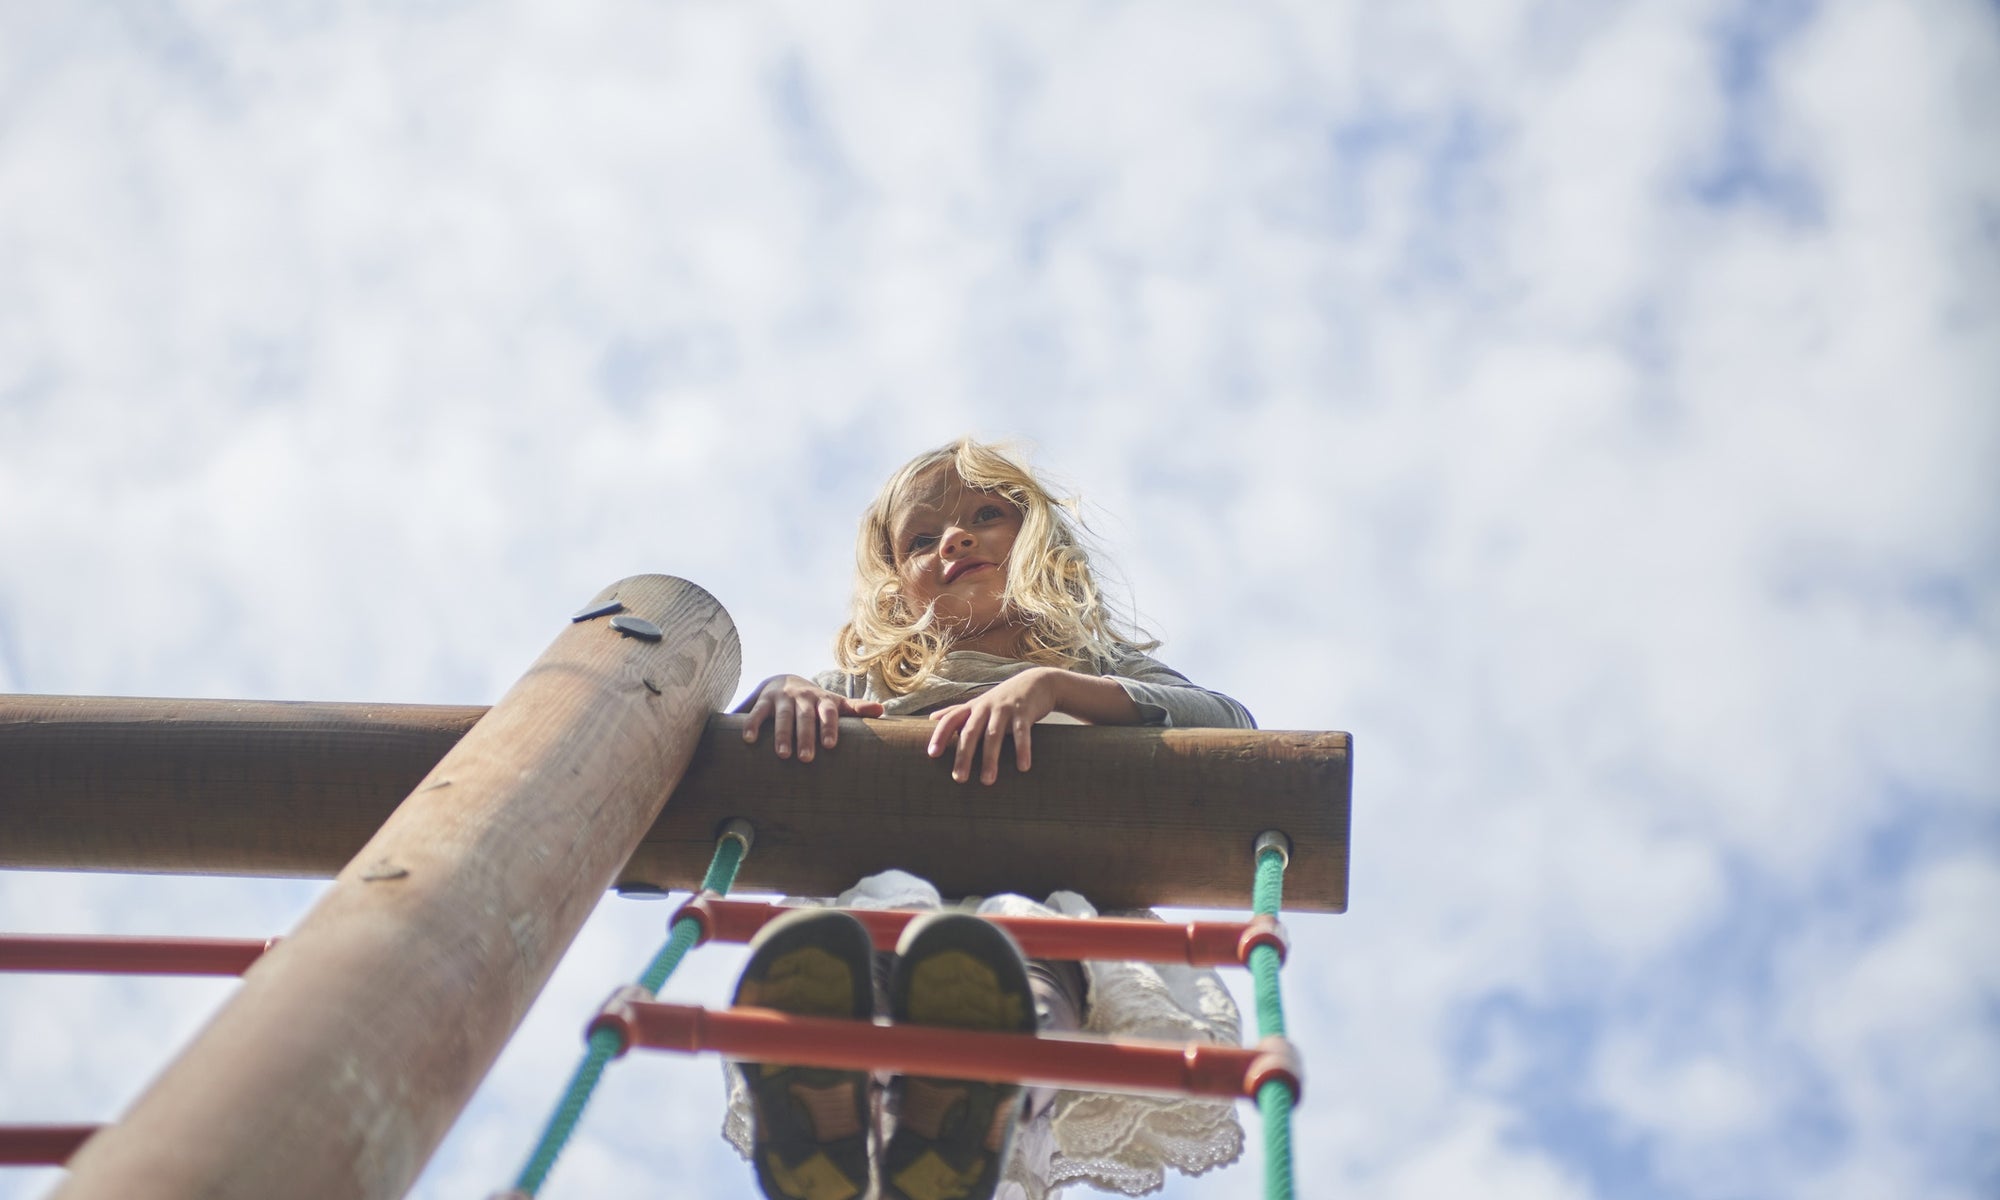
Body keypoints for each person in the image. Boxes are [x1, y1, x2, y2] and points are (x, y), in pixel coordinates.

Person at [726, 438, 1254, 1200]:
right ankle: (828, 1081)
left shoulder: (1095, 672)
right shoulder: (868, 684)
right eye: (921, 538)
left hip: (1052, 908)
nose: (956, 539)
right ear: (898, 588)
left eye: (984, 516)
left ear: (1038, 542)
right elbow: (775, 725)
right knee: (870, 928)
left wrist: (1054, 687)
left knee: (1020, 959)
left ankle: (981, 1101)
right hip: (885, 909)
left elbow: (1229, 727)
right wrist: (786, 691)